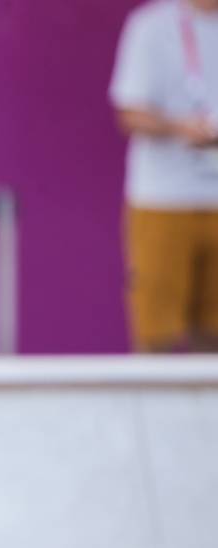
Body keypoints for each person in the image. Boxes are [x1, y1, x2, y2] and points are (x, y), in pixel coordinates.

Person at [111, 0, 218, 352]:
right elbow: (129, 111)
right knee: (157, 331)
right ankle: (154, 409)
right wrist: (178, 127)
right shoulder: (152, 26)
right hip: (163, 199)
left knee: (213, 330)